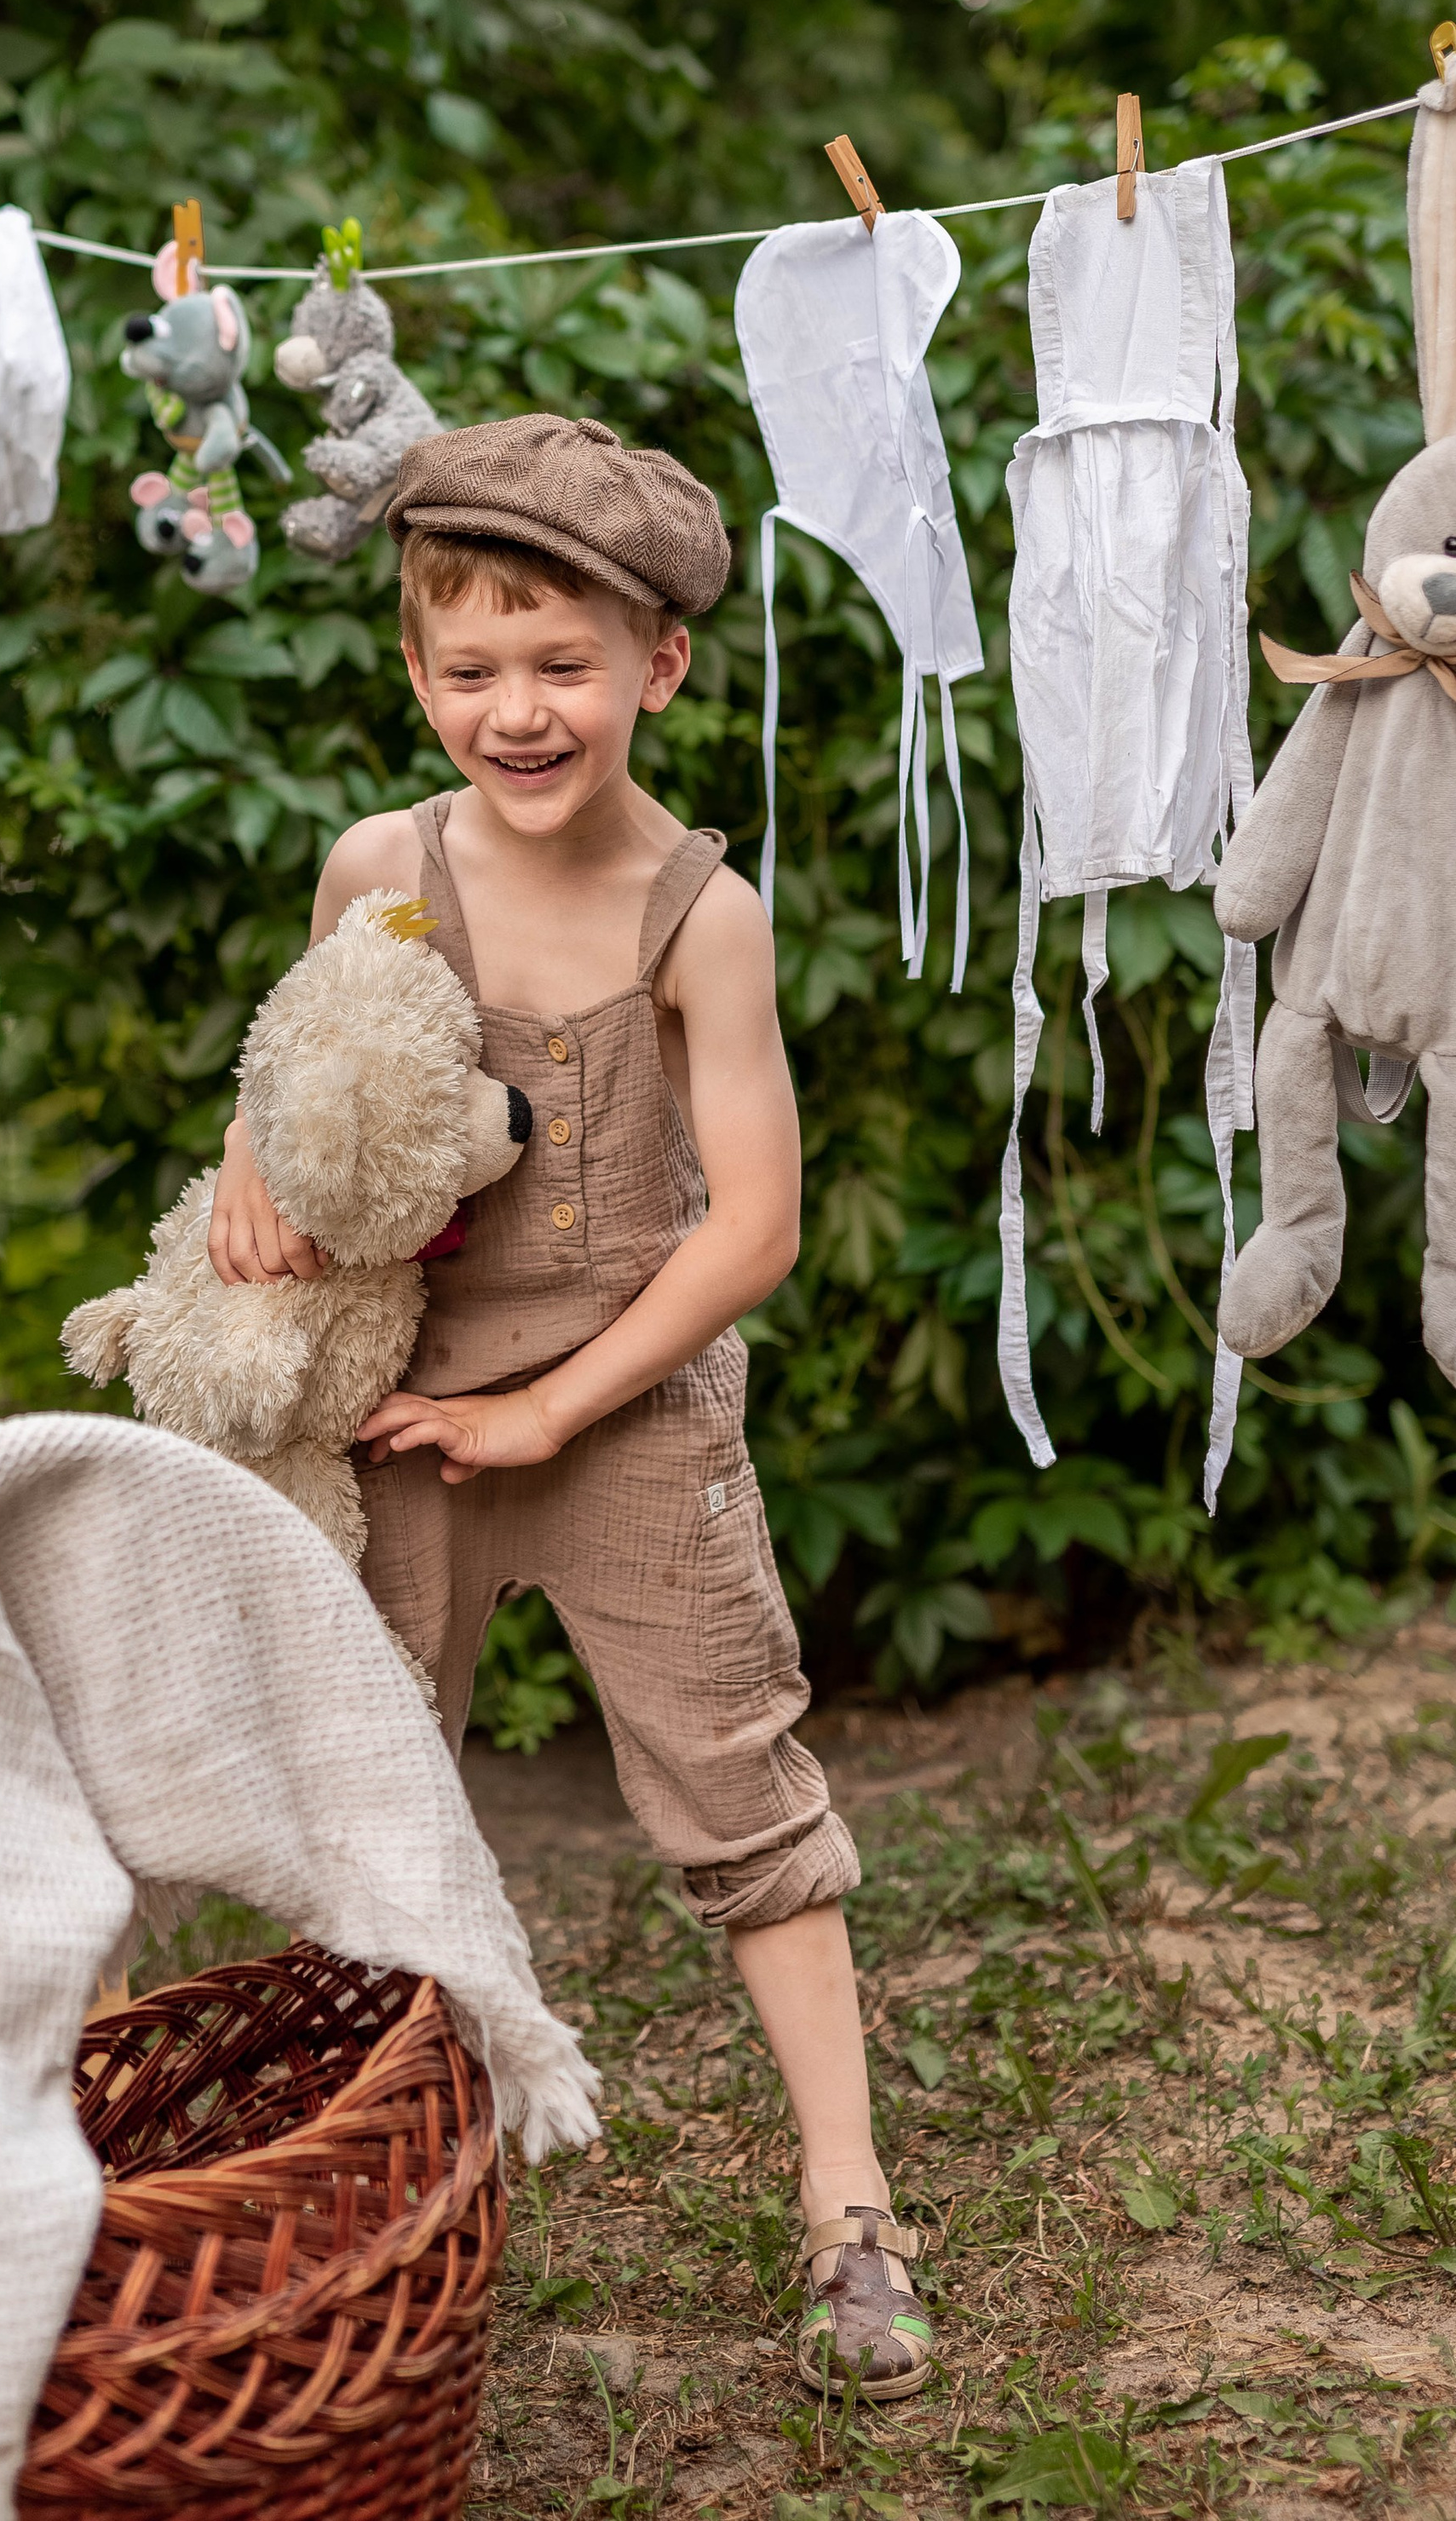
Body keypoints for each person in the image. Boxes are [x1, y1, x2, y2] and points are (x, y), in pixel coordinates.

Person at [206, 412, 932, 2400]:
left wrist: (553, 1413)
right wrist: (251, 1166)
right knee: (358, 1810)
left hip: (627, 1423)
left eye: (561, 666)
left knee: (734, 1784)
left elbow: (751, 1228)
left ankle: (846, 2201)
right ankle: (344, 2202)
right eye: (468, 671)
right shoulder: (382, 868)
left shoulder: (695, 916)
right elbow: (315, 1080)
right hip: (394, 1418)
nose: (514, 714)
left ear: (655, 666)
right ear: (416, 673)